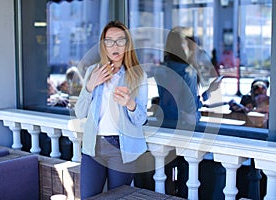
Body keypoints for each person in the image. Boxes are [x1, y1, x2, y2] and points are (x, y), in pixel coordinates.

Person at [74, 20, 148, 199]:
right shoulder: (93, 71)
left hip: (121, 148)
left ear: (127, 44)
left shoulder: (138, 75)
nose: (115, 46)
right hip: (93, 146)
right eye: (109, 41)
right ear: (103, 45)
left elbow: (141, 119)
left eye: (120, 40)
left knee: (118, 197)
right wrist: (90, 86)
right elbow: (79, 112)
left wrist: (130, 104)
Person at [153, 27, 221, 198]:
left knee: (167, 174)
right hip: (186, 130)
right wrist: (209, 92)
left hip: (165, 126)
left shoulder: (161, 69)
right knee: (187, 177)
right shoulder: (188, 71)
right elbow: (190, 108)